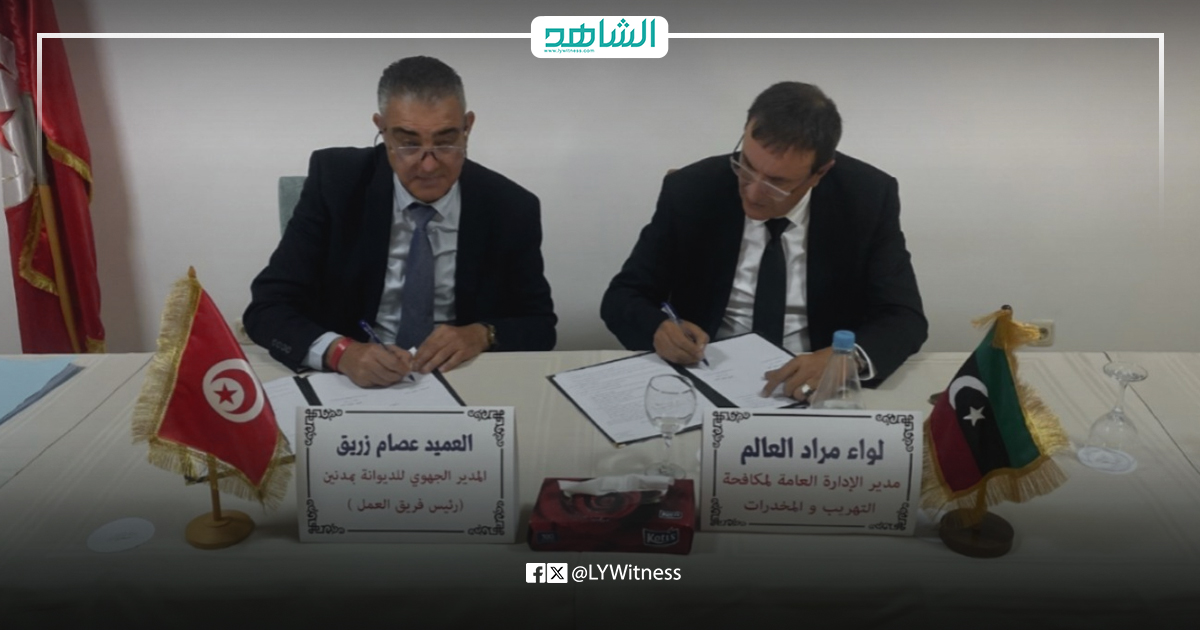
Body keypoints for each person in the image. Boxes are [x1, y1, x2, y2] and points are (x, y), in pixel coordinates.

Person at [600, 82, 926, 401]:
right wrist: (657, 328)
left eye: (777, 183)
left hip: (815, 383)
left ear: (820, 173)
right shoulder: (691, 190)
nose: (753, 193)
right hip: (708, 374)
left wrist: (845, 360)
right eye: (746, 166)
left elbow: (903, 316)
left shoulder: (867, 197)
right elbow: (624, 295)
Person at [245, 56, 555, 387]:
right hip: (350, 380)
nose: (428, 165)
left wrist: (482, 334)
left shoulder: (510, 207)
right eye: (408, 143)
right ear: (382, 129)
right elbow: (267, 308)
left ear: (468, 127)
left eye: (445, 141)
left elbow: (540, 325)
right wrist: (340, 352)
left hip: (460, 378)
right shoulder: (336, 183)